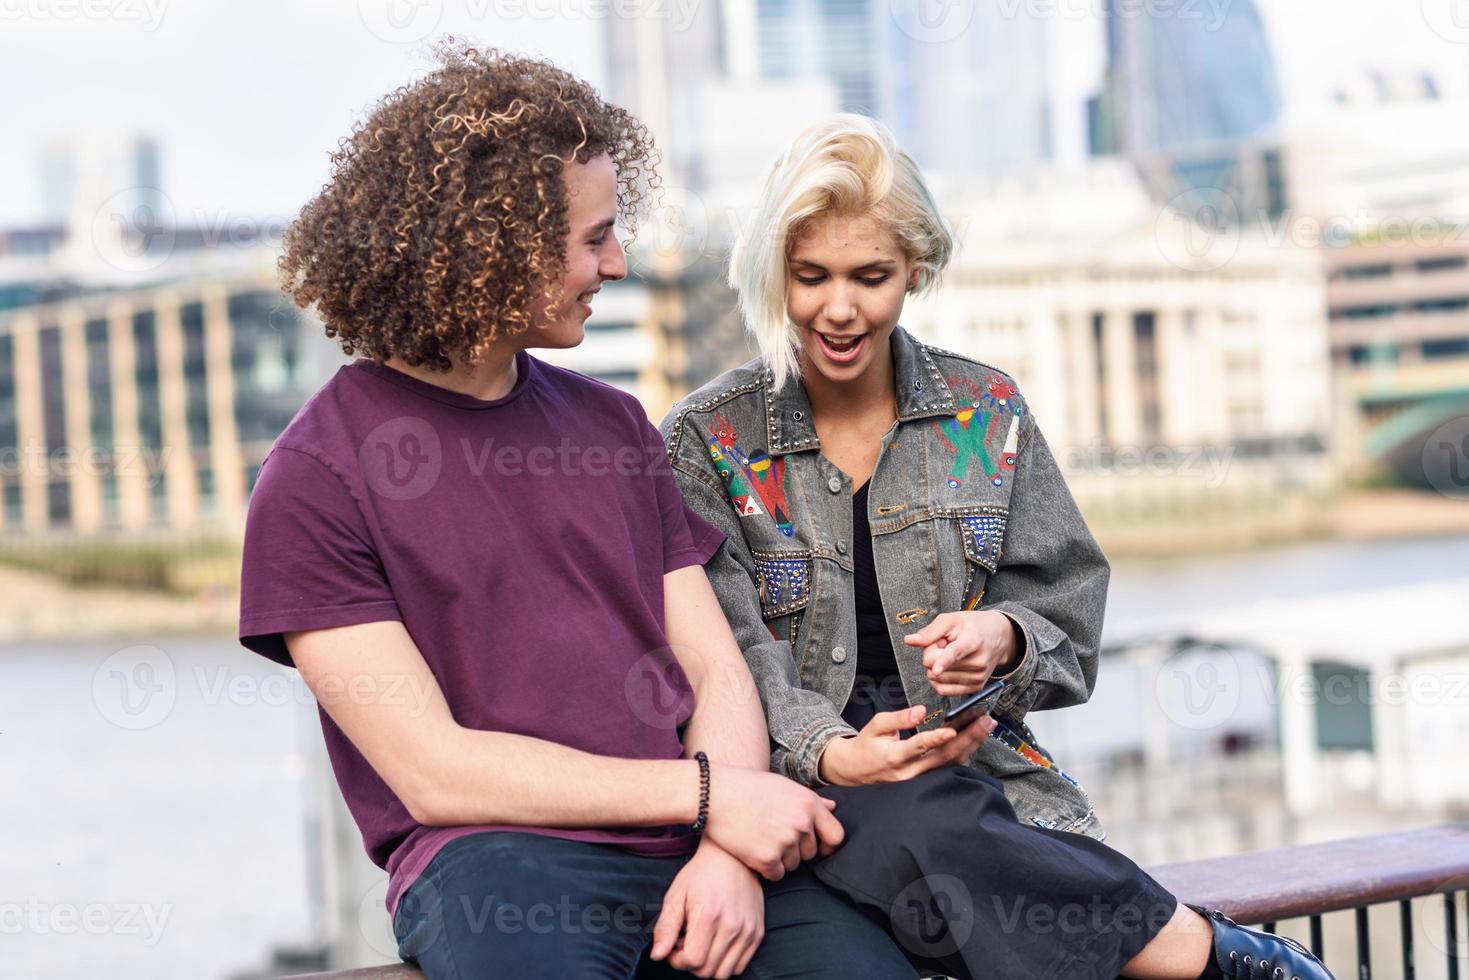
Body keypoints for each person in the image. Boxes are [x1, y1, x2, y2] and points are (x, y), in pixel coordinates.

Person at [239, 48, 922, 980]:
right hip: (499, 866)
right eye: (593, 237)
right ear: (495, 247)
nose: (617, 261)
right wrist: (712, 796)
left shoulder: (615, 426)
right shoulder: (315, 478)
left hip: (699, 843)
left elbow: (717, 672)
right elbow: (435, 772)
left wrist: (725, 848)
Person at [660, 113, 1334, 980]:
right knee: (917, 812)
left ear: (915, 270)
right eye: (809, 277)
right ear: (771, 275)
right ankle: (1208, 956)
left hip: (978, 781)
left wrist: (1003, 638)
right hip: (792, 781)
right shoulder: (704, 440)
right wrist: (833, 752)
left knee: (934, 813)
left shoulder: (985, 412)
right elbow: (725, 656)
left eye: (870, 276)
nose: (838, 308)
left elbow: (1069, 617)